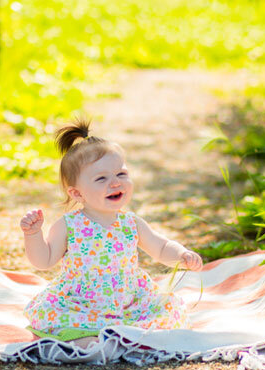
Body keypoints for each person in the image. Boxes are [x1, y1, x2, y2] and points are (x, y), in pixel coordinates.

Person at [19, 119, 202, 339]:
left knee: (166, 309)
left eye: (121, 174)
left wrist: (181, 255)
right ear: (77, 193)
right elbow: (44, 261)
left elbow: (161, 247)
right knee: (63, 320)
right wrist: (33, 235)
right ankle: (86, 338)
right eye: (102, 178)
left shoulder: (130, 223)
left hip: (127, 301)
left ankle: (124, 334)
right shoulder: (69, 226)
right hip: (81, 304)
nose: (115, 183)